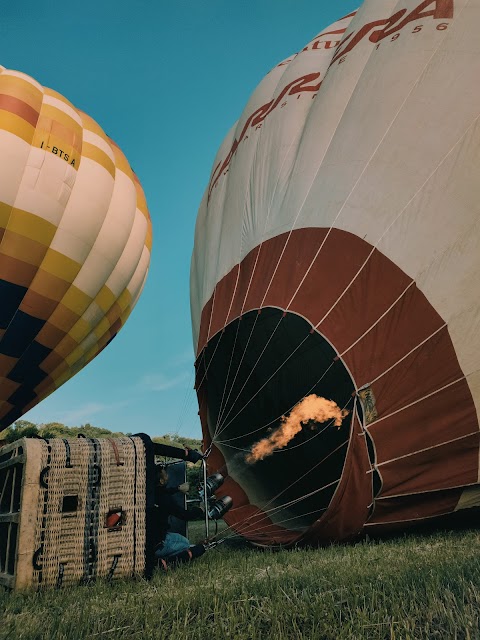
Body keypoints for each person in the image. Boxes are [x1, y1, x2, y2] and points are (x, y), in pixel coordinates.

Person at [153, 464, 206, 568]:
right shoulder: (166, 499)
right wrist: (200, 509)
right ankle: (165, 561)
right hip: (158, 544)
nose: (167, 475)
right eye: (165, 474)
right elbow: (185, 515)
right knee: (185, 543)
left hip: (145, 543)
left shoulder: (147, 493)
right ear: (161, 481)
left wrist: (178, 488)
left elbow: (162, 491)